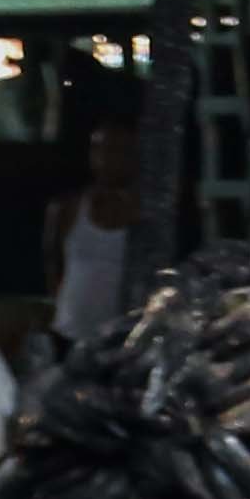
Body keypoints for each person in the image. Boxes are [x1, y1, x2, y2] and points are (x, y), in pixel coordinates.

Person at [48, 112, 144, 342]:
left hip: (120, 339)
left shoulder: (144, 214)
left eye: (118, 150)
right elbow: (52, 262)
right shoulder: (67, 208)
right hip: (68, 332)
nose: (107, 158)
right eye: (100, 149)